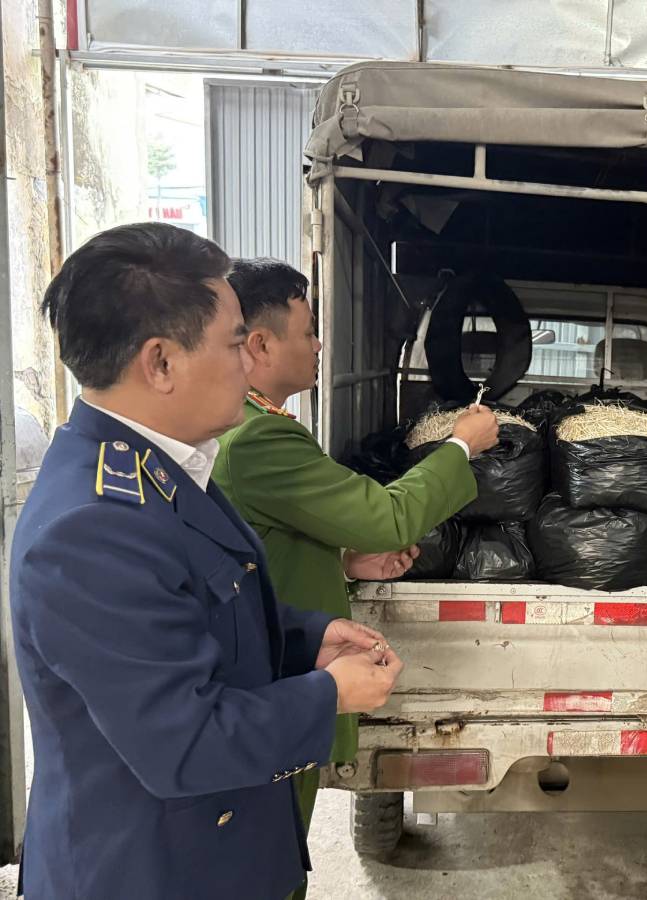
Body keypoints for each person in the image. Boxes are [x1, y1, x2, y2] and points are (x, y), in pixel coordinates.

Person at [10, 223, 404, 900]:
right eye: (233, 344)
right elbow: (185, 743)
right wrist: (330, 695)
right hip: (151, 874)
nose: (249, 364)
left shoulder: (164, 468)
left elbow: (197, 612)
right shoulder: (93, 527)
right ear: (160, 363)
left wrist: (305, 640)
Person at [212, 257, 498, 892]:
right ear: (260, 344)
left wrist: (343, 562)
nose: (320, 346)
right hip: (279, 682)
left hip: (277, 666)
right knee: (269, 859)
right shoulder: (257, 439)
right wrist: (460, 446)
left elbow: (260, 546)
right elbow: (388, 517)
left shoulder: (257, 427)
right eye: (308, 331)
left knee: (277, 847)